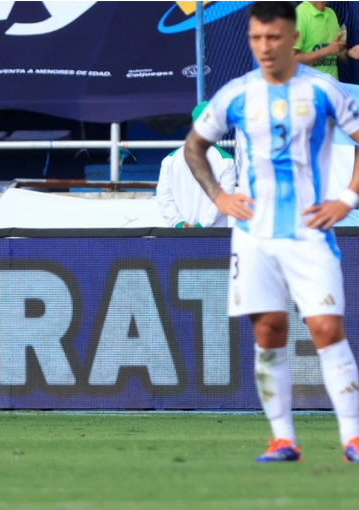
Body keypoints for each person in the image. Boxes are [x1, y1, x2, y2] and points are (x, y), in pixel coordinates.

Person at [184, 0, 359, 462]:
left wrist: (348, 198)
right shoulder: (235, 94)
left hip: (309, 231)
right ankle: (283, 439)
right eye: (257, 38)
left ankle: (353, 438)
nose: (265, 47)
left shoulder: (325, 91)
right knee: (269, 331)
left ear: (293, 38)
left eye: (274, 38)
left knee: (326, 329)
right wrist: (219, 198)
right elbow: (194, 147)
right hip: (253, 235)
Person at [156, 102, 237, 228]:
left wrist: (178, 224)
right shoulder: (226, 161)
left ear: (193, 125)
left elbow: (163, 197)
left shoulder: (170, 160)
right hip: (215, 238)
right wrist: (200, 226)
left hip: (180, 236)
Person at [294, 0, 359, 79]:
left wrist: (349, 53)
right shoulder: (299, 15)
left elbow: (335, 52)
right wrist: (327, 50)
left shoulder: (332, 14)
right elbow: (292, 60)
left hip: (332, 87)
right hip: (309, 88)